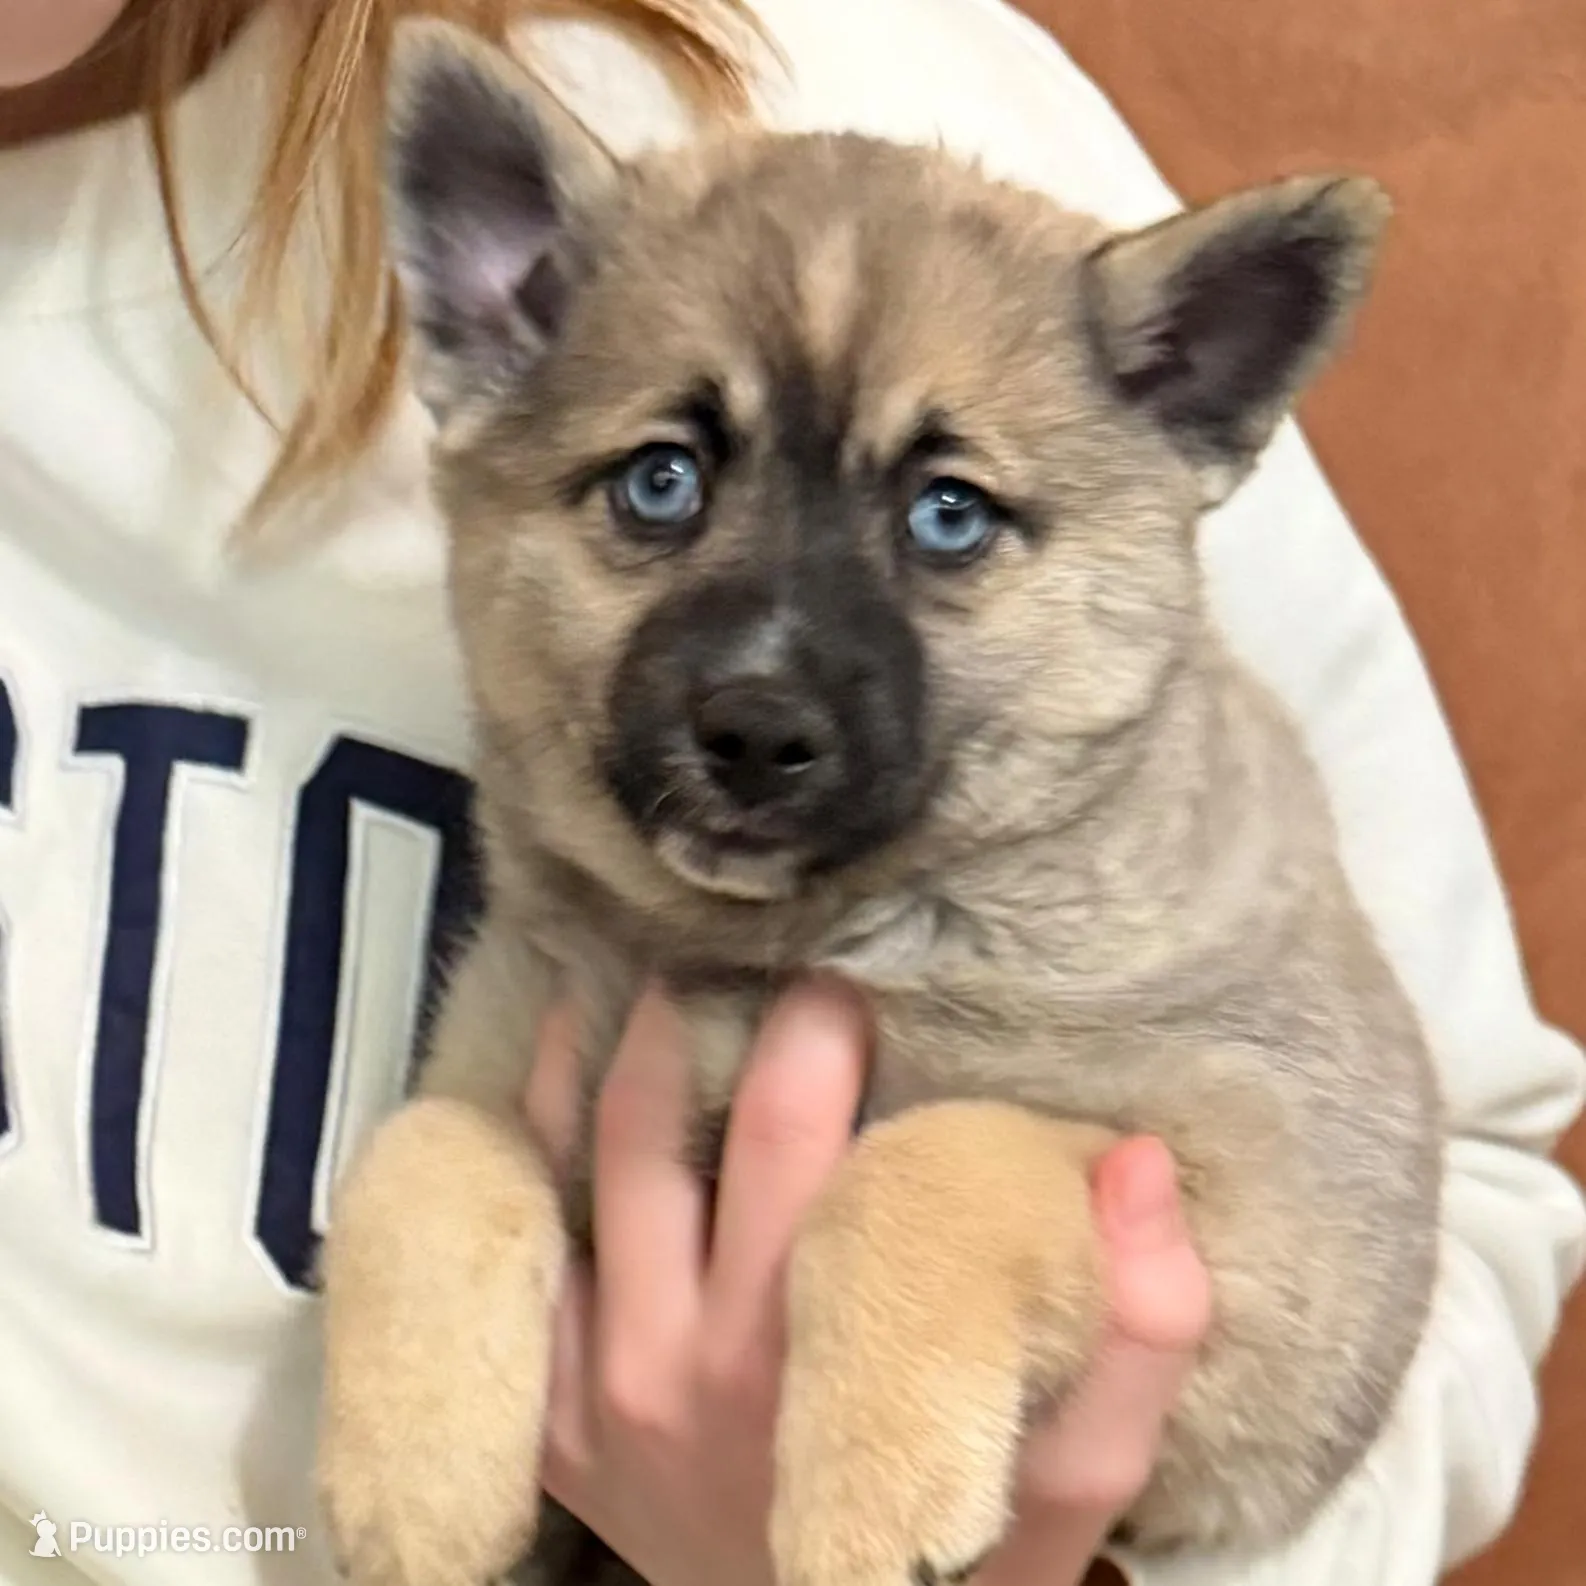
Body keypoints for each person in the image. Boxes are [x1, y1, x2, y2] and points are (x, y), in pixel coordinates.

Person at [0, 3, 1578, 1586]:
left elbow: (1425, 1229)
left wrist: (1020, 1499)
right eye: (662, 482)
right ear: (493, 323)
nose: (766, 673)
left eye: (947, 515)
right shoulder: (578, 833)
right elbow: (482, 1150)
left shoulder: (880, 105)